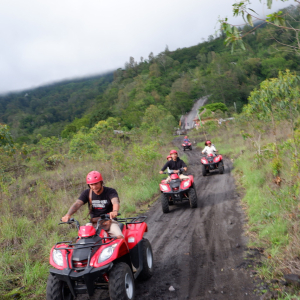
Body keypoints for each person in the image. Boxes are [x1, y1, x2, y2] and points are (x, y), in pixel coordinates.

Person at [61, 171, 124, 239]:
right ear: (89, 185)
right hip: (93, 223)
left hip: (110, 221)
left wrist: (115, 211)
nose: (94, 187)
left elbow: (115, 201)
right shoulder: (87, 193)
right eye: (91, 184)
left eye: (96, 183)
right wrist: (68, 215)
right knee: (81, 239)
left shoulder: (110, 191)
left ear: (101, 182)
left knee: (119, 237)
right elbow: (77, 203)